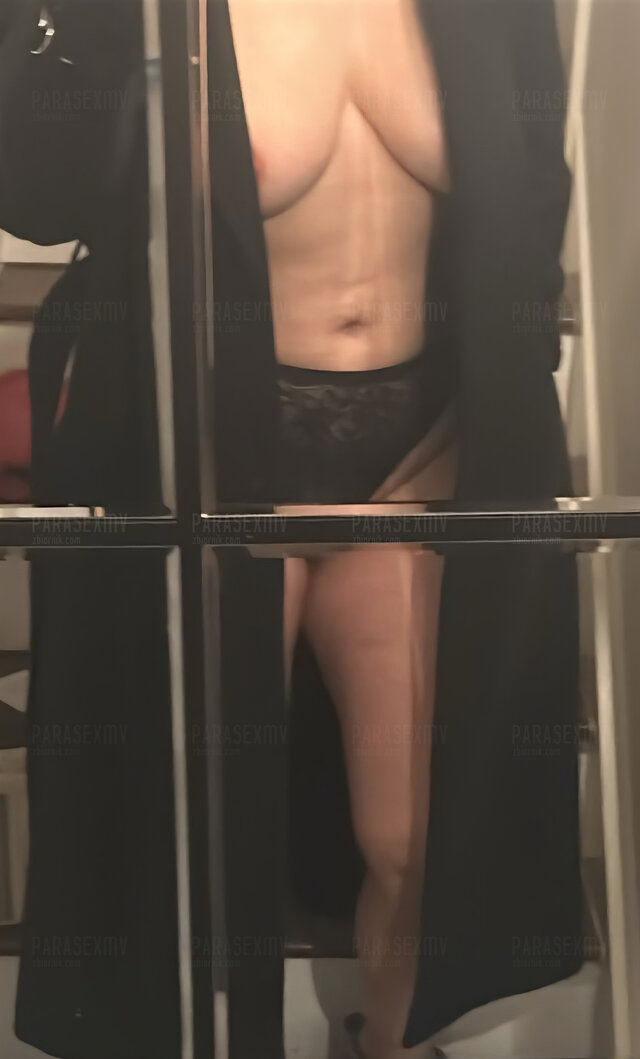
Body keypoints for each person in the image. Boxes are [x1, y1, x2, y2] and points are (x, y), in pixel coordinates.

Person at [228, 2, 456, 1055]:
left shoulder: (471, 20)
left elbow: (521, 209)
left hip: (406, 458)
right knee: (212, 828)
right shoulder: (191, 18)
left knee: (409, 837)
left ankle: (389, 1044)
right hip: (237, 458)